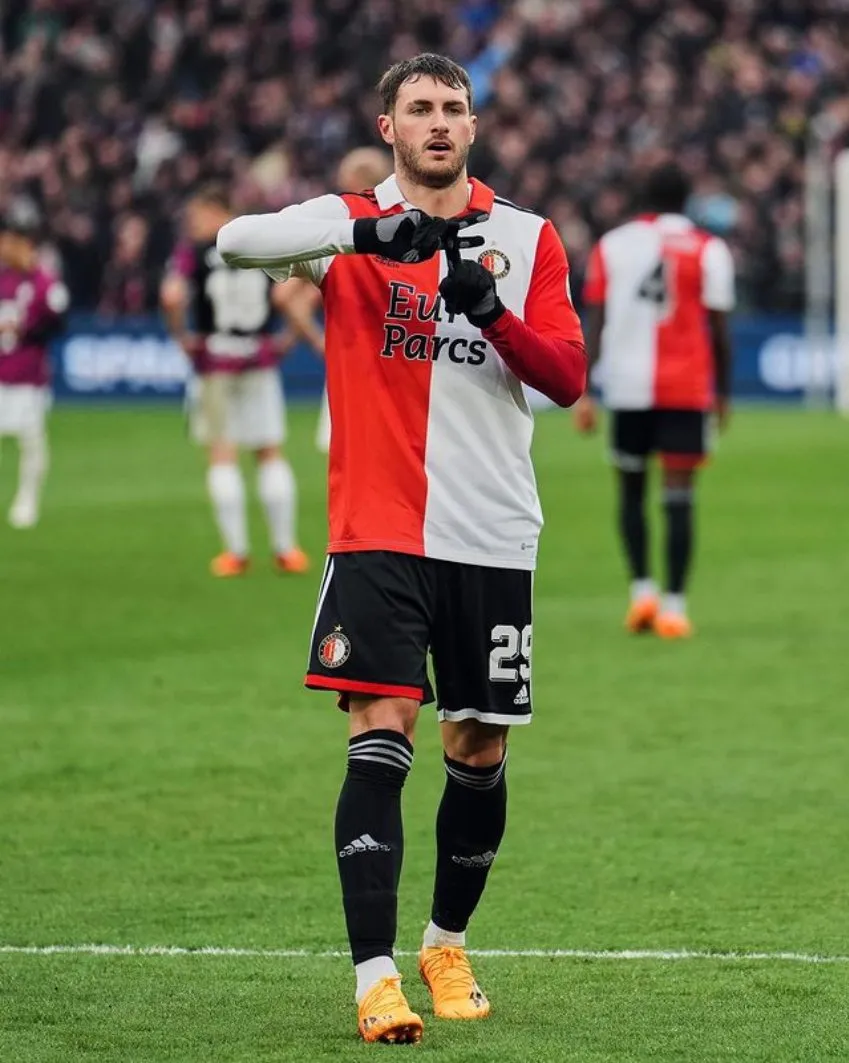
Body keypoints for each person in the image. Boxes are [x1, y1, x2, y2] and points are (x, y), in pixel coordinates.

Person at [217, 53, 586, 1044]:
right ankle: (374, 976)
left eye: (452, 109)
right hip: (377, 530)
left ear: (473, 125)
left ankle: (444, 941)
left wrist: (493, 315)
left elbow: (566, 379)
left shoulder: (527, 237)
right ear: (388, 126)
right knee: (380, 737)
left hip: (492, 534)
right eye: (418, 108)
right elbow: (233, 240)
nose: (436, 123)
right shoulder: (345, 223)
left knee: (478, 749)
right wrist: (361, 231)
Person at [574, 162, 734, 638]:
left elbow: (596, 321)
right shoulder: (710, 249)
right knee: (679, 497)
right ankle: (675, 606)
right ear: (689, 199)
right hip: (686, 390)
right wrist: (722, 394)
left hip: (625, 386)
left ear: (644, 197)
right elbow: (720, 330)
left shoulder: (612, 245)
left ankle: (640, 593)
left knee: (630, 490)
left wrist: (584, 388)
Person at [160, 185, 309, 577]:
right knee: (269, 451)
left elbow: (172, 297)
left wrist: (182, 339)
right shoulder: (257, 244)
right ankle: (286, 549)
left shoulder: (193, 253)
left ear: (216, 211)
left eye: (198, 216)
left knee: (222, 453)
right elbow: (286, 296)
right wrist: (289, 339)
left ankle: (236, 552)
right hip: (257, 357)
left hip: (215, 359)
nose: (194, 224)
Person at [274, 147, 394, 453]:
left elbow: (285, 296)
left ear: (356, 182)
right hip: (403, 364)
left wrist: (319, 342)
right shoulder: (405, 232)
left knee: (352, 466)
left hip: (353, 362)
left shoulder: (341, 238)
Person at [0, 200, 68, 529]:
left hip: (27, 373)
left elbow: (58, 324)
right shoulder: (3, 279)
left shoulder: (44, 281)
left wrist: (22, 329)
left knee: (30, 438)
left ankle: (28, 499)